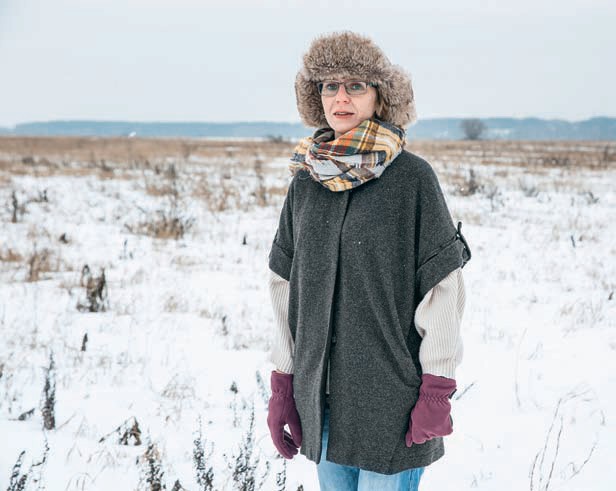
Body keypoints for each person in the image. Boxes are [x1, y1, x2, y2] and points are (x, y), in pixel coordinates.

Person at [266, 31, 472, 491]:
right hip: (322, 403)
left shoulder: (412, 179)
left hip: (392, 404)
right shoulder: (307, 182)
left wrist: (437, 388)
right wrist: (283, 383)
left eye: (355, 86)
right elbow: (285, 286)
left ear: (380, 95)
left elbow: (442, 287)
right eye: (329, 86)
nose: (340, 98)